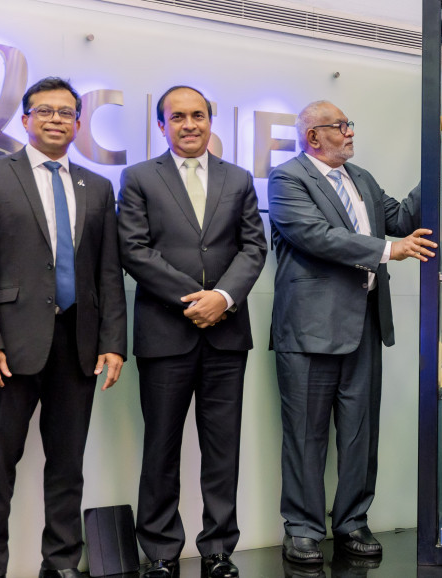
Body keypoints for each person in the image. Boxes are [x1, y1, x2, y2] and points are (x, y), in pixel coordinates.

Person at [268, 100, 442, 563]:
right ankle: (302, 530)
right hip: (309, 331)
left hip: (364, 325)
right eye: (340, 126)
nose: (350, 133)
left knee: (358, 435)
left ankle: (351, 523)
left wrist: (439, 171)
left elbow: (404, 219)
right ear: (313, 137)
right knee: (306, 436)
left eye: (350, 125)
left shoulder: (360, 178)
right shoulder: (288, 179)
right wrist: (390, 251)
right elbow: (316, 235)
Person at [0, 77, 126, 578]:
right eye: (45, 111)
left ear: (79, 122)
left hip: (77, 344)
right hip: (9, 347)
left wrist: (113, 343)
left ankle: (59, 566)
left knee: (67, 468)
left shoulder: (97, 187)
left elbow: (107, 273)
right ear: (26, 119)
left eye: (66, 112)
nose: (56, 119)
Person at [117, 85, 267, 578]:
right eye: (177, 117)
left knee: (222, 449)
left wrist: (222, 298)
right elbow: (135, 251)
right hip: (165, 334)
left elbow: (253, 248)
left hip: (227, 335)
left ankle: (219, 550)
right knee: (160, 447)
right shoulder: (138, 177)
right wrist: (195, 301)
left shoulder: (239, 178)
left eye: (198, 115)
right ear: (161, 125)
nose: (189, 124)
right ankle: (160, 553)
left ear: (210, 120)